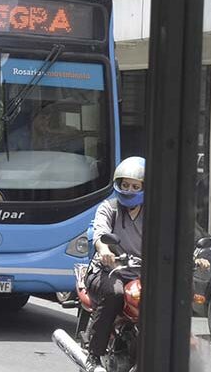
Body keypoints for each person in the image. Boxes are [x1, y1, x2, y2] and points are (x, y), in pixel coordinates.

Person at [83, 156, 145, 372]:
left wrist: (193, 256)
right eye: (125, 184)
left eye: (135, 186)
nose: (129, 189)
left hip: (140, 275)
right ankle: (94, 354)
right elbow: (100, 234)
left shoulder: (154, 214)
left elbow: (171, 238)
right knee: (115, 294)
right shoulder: (109, 208)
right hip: (107, 271)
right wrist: (105, 251)